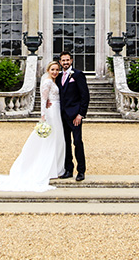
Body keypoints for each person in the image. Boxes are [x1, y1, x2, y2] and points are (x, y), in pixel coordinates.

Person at [0, 61, 66, 192]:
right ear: (48, 70)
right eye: (53, 69)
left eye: (57, 70)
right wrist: (43, 116)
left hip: (56, 110)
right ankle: (48, 168)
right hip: (51, 113)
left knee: (58, 139)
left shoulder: (53, 81)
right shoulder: (47, 82)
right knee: (50, 140)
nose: (55, 72)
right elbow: (43, 100)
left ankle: (57, 167)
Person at [55, 50, 89, 181]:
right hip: (61, 115)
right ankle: (68, 169)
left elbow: (85, 96)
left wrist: (81, 114)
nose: (65, 62)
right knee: (65, 143)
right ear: (60, 62)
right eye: (63, 60)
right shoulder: (57, 76)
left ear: (71, 61)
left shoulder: (78, 75)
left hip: (75, 116)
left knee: (77, 142)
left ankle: (81, 171)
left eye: (67, 60)